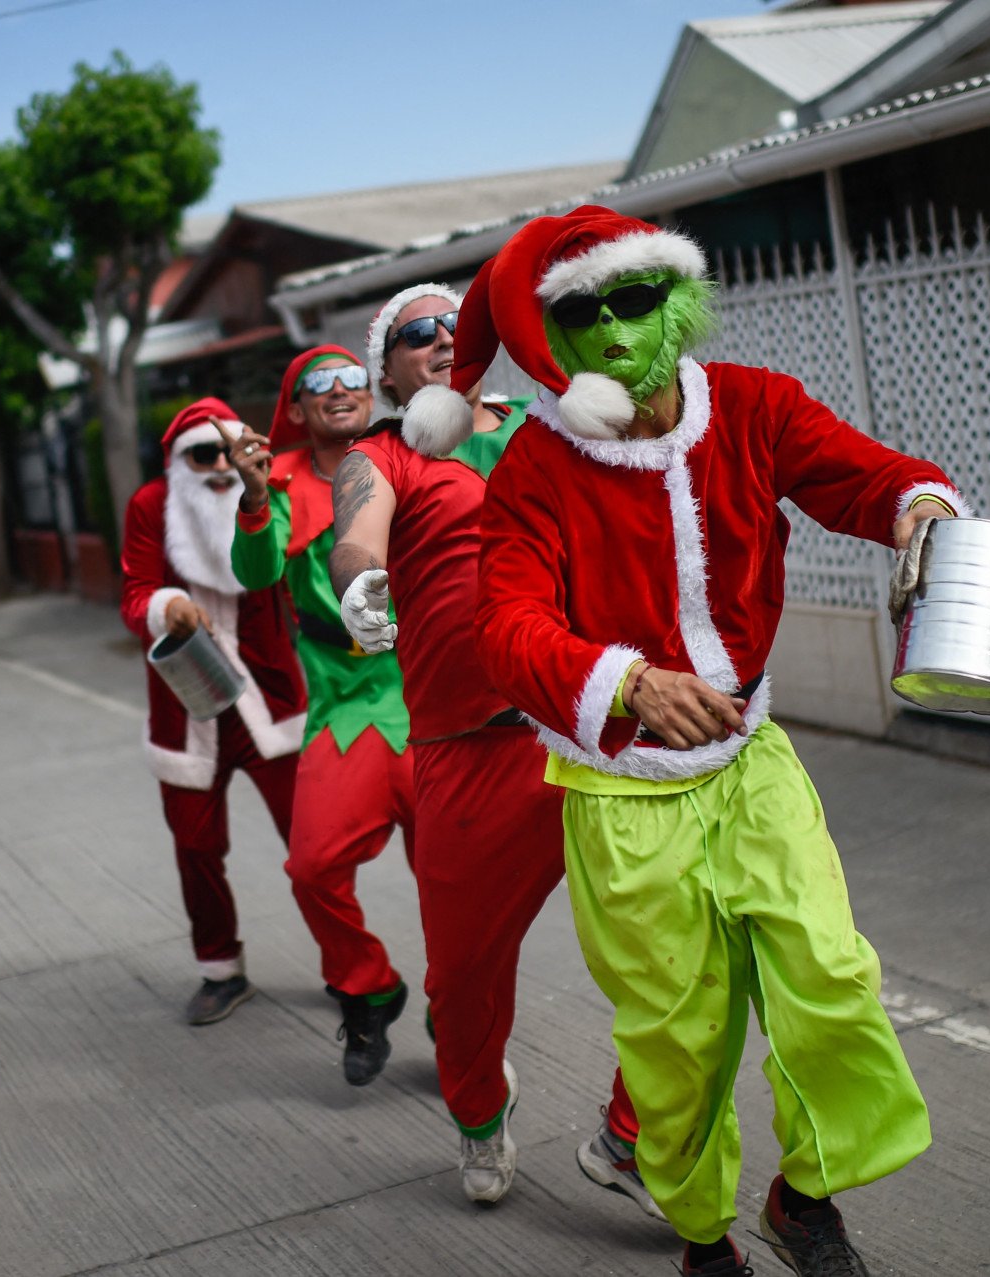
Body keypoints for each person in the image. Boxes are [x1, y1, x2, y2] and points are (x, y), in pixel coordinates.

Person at [441, 206, 964, 1276]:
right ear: (556, 341)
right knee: (678, 1043)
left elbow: (859, 475)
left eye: (634, 297)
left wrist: (914, 508)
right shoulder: (534, 468)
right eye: (583, 310)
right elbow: (503, 624)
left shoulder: (757, 407)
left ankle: (803, 1194)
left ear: (675, 301)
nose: (615, 328)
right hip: (622, 792)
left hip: (751, 763)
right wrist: (624, 679)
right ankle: (698, 1236)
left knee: (831, 979)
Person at [328, 285, 653, 1217]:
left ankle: (635, 1134)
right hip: (466, 754)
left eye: (453, 326)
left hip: (588, 727)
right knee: (462, 982)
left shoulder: (549, 425)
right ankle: (480, 1111)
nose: (439, 341)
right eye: (414, 334)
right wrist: (360, 585)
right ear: (387, 368)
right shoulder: (380, 455)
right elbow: (356, 536)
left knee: (668, 941)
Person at [222, 345, 416, 1086]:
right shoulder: (279, 483)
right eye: (318, 385)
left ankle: (458, 1007)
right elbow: (258, 572)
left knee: (457, 876)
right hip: (345, 700)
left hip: (431, 690)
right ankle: (366, 986)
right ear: (297, 409)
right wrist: (249, 492)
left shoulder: (412, 455)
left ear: (373, 391)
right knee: (312, 865)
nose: (339, 391)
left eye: (352, 379)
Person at [120, 397, 306, 1027]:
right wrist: (165, 604)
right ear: (177, 460)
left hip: (271, 704)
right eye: (204, 454)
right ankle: (220, 968)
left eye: (229, 451)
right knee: (196, 847)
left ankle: (351, 973)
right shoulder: (152, 506)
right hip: (188, 712)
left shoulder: (270, 493)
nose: (221, 466)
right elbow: (134, 593)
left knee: (313, 849)